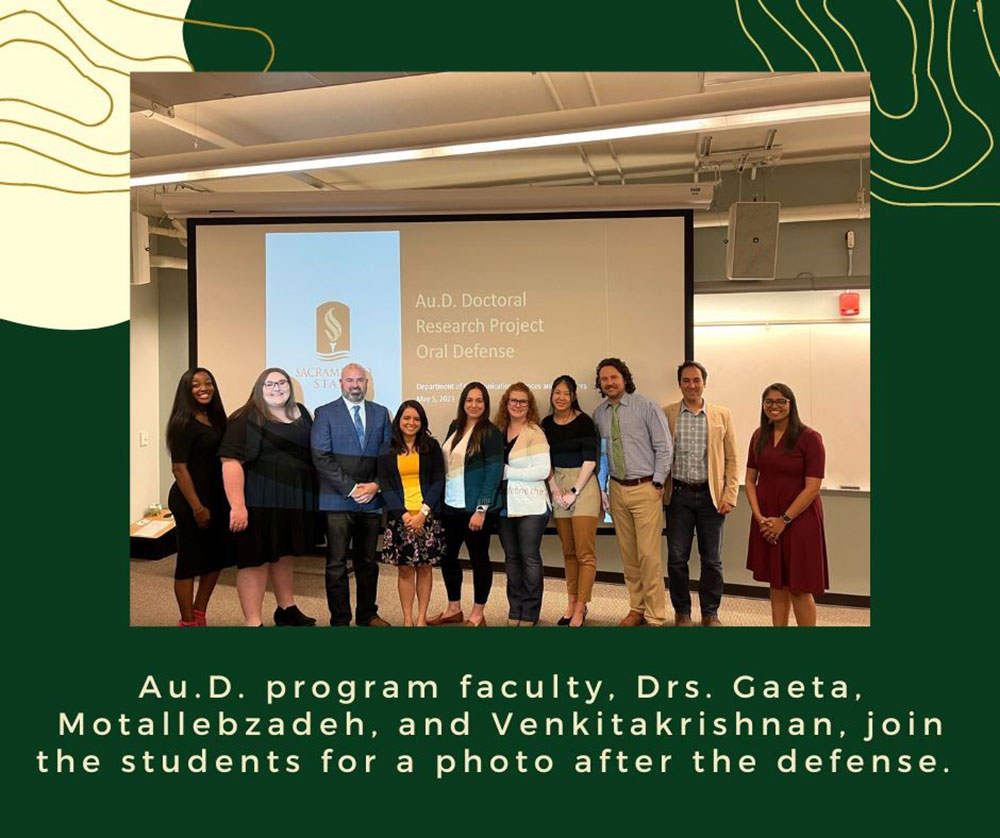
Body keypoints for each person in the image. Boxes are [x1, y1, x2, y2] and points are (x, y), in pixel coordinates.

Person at [219, 368, 318, 627]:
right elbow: (230, 462)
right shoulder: (245, 418)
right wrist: (237, 506)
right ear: (259, 388)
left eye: (282, 382)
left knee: (284, 554)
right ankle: (253, 621)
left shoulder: (302, 414)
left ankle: (286, 609)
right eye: (270, 384)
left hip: (293, 500)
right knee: (255, 560)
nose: (277, 388)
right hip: (258, 501)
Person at [592, 358, 673, 627]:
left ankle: (655, 614)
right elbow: (602, 455)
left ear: (624, 379)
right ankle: (636, 608)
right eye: (604, 379)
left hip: (645, 488)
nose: (609, 382)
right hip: (616, 489)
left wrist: (658, 483)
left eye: (614, 377)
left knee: (649, 555)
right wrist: (603, 487)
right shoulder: (599, 414)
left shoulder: (646, 406)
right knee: (628, 555)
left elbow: (664, 447)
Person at [311, 362, 393, 627]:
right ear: (341, 383)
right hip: (337, 498)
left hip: (372, 499)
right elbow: (321, 456)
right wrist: (350, 488)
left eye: (360, 380)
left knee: (368, 562)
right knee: (336, 564)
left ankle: (367, 614)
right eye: (350, 380)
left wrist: (376, 485)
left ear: (367, 383)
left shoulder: (381, 414)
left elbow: (390, 458)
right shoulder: (324, 413)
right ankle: (340, 619)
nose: (355, 385)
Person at [745, 383, 829, 627]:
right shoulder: (758, 436)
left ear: (791, 404)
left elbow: (813, 487)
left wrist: (784, 520)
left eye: (781, 401)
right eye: (769, 401)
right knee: (777, 584)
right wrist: (759, 516)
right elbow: (750, 480)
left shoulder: (810, 438)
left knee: (799, 588)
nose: (775, 406)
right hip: (766, 519)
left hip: (799, 520)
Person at [663, 361, 739, 626]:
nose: (692, 385)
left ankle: (710, 613)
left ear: (704, 382)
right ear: (680, 384)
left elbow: (732, 458)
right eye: (686, 380)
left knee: (712, 560)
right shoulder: (668, 413)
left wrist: (729, 494)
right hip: (679, 496)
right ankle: (682, 611)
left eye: (696, 380)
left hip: (711, 497)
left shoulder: (722, 415)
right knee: (676, 559)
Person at [429, 382, 503, 627]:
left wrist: (481, 509)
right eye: (469, 400)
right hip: (451, 505)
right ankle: (453, 608)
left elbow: (493, 472)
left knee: (478, 558)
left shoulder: (490, 432)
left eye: (479, 400)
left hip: (475, 509)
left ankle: (478, 613)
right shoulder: (455, 427)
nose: (474, 405)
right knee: (447, 556)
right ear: (463, 402)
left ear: (486, 404)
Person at [165, 367, 231, 627]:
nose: (204, 388)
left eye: (208, 383)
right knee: (189, 562)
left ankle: (199, 612)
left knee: (216, 558)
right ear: (186, 391)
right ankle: (188, 622)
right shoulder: (183, 423)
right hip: (189, 501)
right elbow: (179, 469)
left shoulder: (215, 419)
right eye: (196, 385)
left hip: (216, 499)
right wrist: (197, 508)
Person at [377, 400, 446, 626]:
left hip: (426, 517)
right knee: (405, 570)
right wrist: (404, 515)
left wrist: (423, 513)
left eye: (416, 419)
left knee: (425, 569)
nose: (411, 423)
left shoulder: (431, 447)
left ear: (422, 422)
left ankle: (421, 619)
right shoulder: (387, 449)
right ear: (399, 421)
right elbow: (386, 484)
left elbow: (438, 481)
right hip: (401, 520)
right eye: (406, 418)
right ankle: (407, 619)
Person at [541, 375, 601, 627]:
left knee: (584, 553)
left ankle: (581, 607)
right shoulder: (546, 423)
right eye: (557, 392)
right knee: (568, 551)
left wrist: (573, 491)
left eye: (566, 393)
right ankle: (571, 600)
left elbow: (591, 459)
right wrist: (555, 489)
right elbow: (546, 461)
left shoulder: (584, 422)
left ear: (574, 396)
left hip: (583, 484)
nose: (561, 397)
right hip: (557, 483)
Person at [496, 383, 551, 627]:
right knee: (511, 558)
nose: (517, 405)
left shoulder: (535, 432)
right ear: (505, 404)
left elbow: (543, 470)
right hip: (505, 504)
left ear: (529, 406)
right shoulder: (498, 431)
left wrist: (507, 472)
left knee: (529, 558)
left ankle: (529, 611)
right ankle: (515, 608)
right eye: (513, 401)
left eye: (523, 401)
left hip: (532, 504)